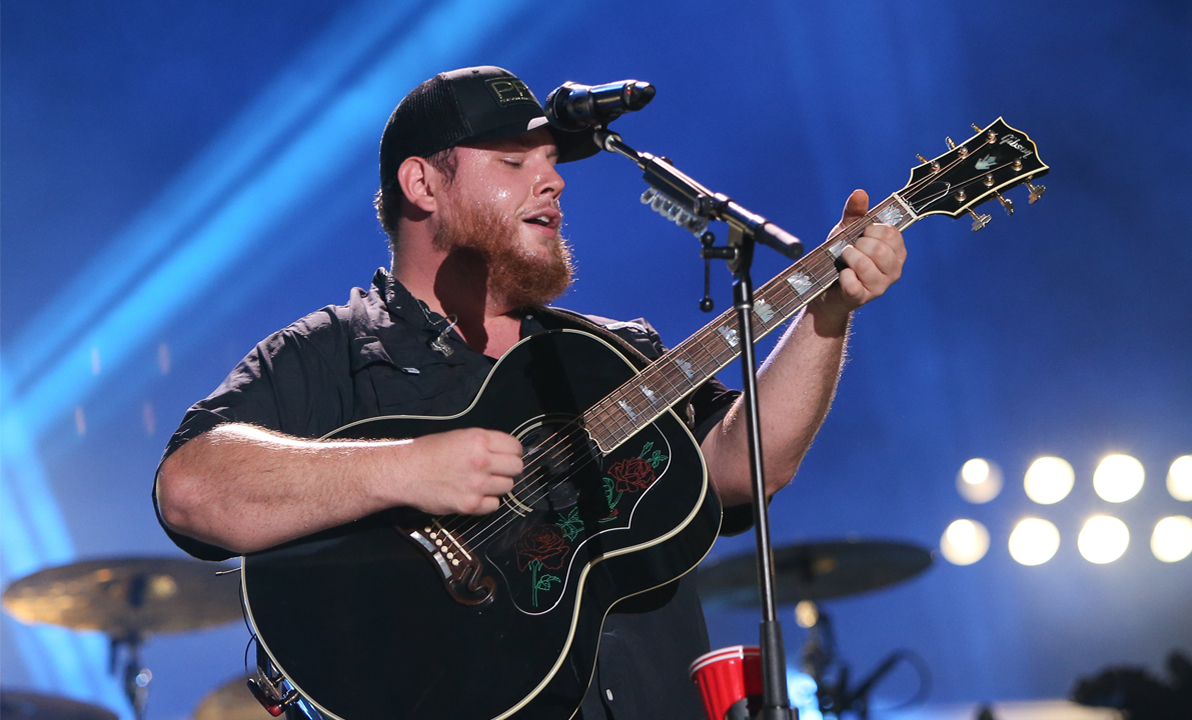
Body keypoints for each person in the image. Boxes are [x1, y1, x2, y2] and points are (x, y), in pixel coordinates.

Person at [154, 66, 906, 720]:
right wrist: (404, 468)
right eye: (514, 161)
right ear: (422, 184)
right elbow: (191, 489)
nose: (553, 181)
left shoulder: (610, 354)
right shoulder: (335, 350)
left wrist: (828, 311)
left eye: (551, 161)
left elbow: (747, 466)